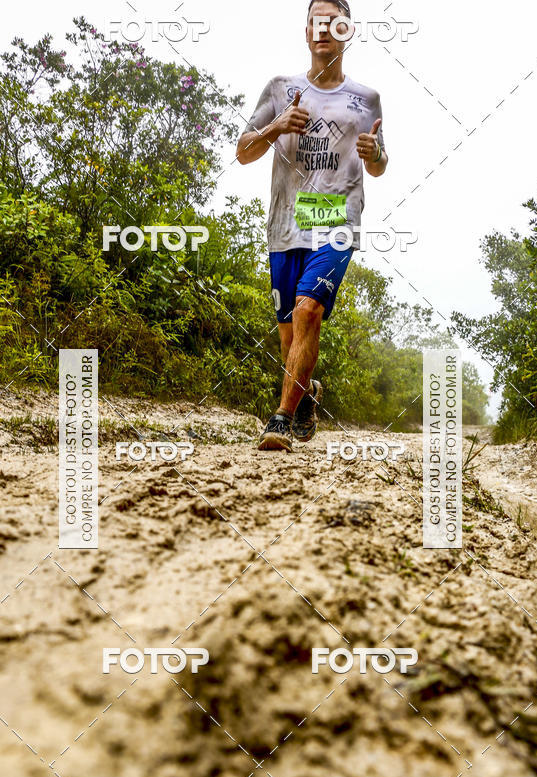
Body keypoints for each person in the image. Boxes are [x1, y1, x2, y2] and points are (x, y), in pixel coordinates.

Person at [237, 0, 388, 451]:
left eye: (334, 22)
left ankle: (281, 418)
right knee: (289, 331)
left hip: (337, 220)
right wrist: (276, 126)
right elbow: (243, 151)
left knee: (308, 310)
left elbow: (380, 166)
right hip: (287, 222)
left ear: (347, 32)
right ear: (306, 33)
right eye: (315, 22)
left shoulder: (368, 99)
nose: (323, 30)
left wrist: (374, 155)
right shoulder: (281, 87)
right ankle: (306, 394)